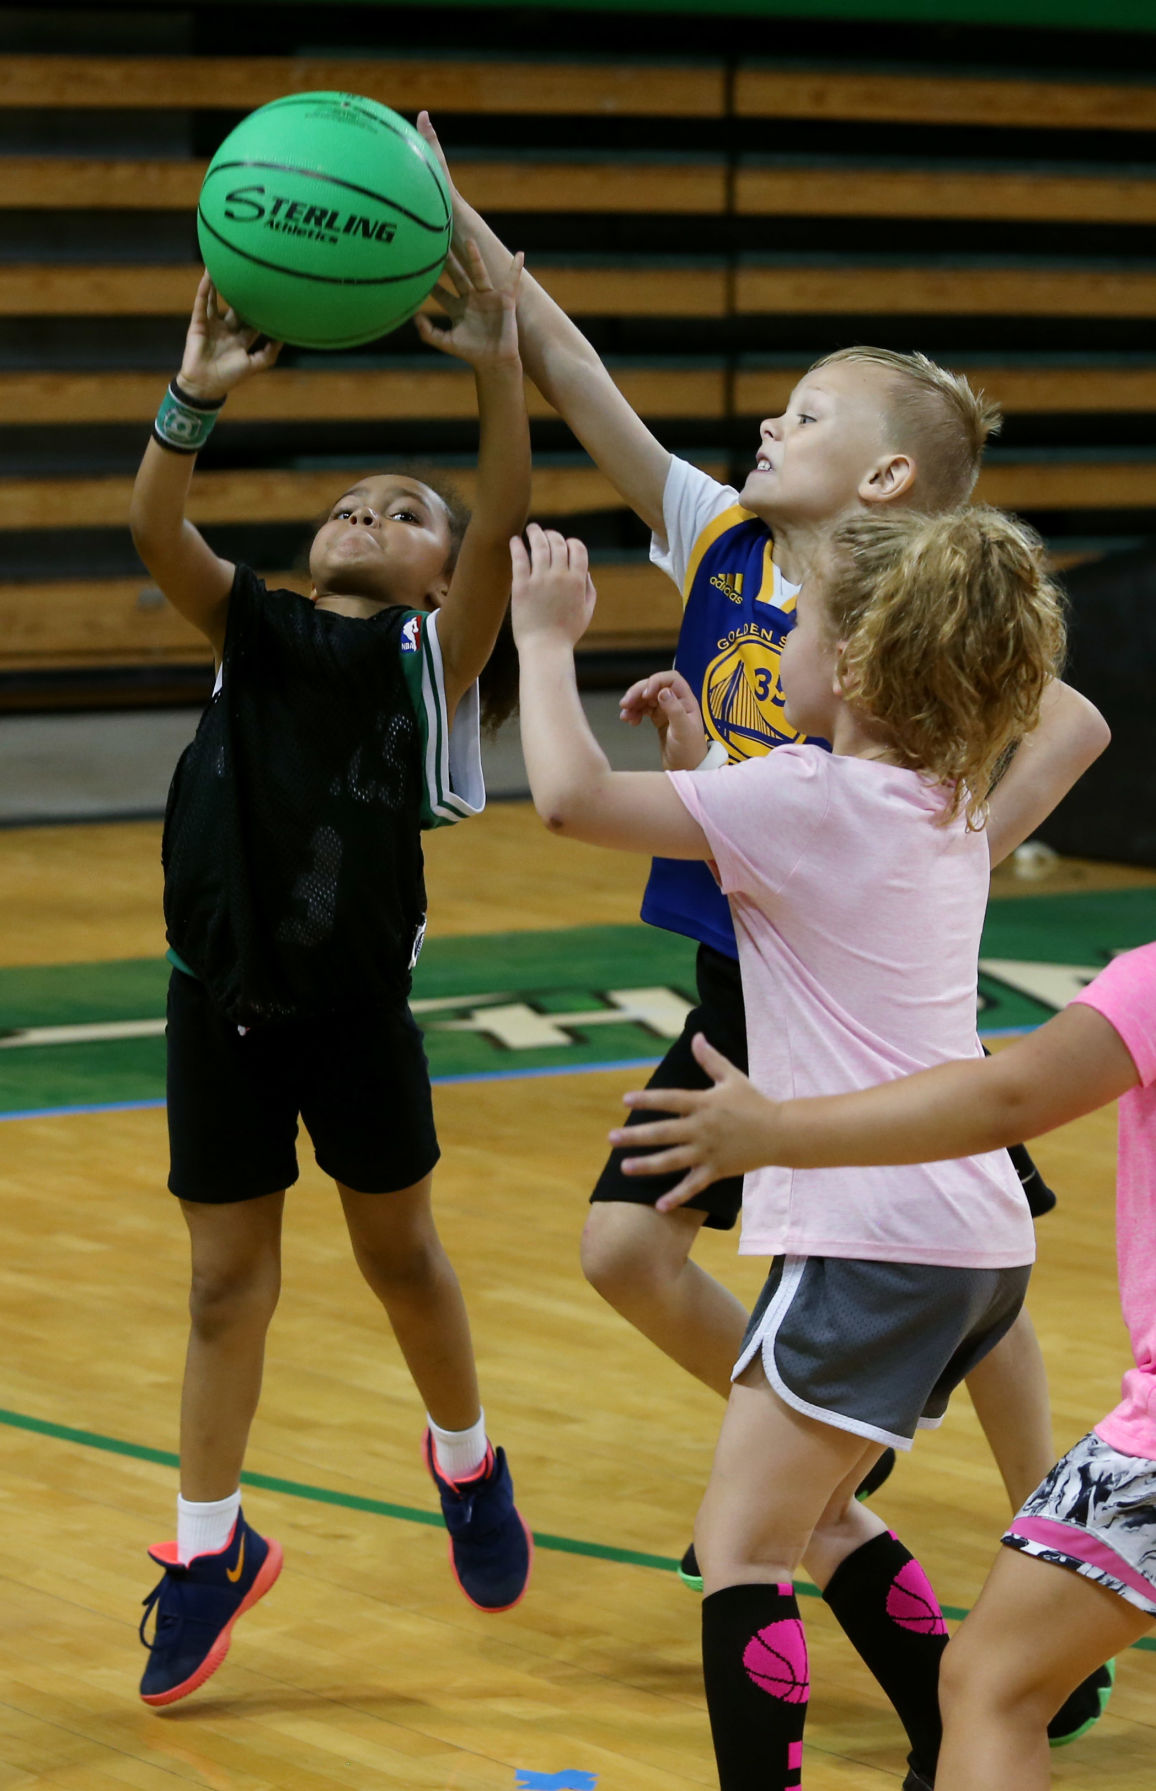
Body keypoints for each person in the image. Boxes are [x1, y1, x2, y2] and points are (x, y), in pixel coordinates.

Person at [417, 111, 1111, 1679]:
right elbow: (586, 382)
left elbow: (1074, 721)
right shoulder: (727, 541)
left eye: (801, 411)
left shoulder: (913, 594)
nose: (762, 424)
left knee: (983, 1295)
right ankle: (813, 1462)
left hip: (869, 992)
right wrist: (456, 218)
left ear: (881, 473)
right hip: (755, 978)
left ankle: (1058, 1561)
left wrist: (953, 848)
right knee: (631, 1248)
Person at [510, 503, 1064, 1791]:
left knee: (742, 1546)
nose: (774, 649)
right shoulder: (945, 801)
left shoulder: (807, 795)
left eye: (796, 628)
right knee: (815, 1511)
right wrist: (706, 758)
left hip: (866, 1239)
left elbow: (569, 801)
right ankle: (945, 1736)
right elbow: (787, 859)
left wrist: (546, 644)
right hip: (975, 1246)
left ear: (859, 668)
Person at [127, 246, 532, 1708]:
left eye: (407, 511)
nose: (370, 512)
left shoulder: (433, 661)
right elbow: (154, 527)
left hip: (354, 1015)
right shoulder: (254, 623)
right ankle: (207, 1548)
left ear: (439, 565)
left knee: (400, 1257)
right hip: (214, 998)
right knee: (225, 1286)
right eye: (350, 500)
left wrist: (494, 364)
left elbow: (505, 526)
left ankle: (467, 1457)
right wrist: (194, 395)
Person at [616, 944, 1156, 1791]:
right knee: (832, 1523)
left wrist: (774, 1132)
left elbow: (1008, 1097)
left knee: (766, 1553)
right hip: (977, 1225)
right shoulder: (953, 826)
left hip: (883, 1225)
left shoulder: (1151, 978)